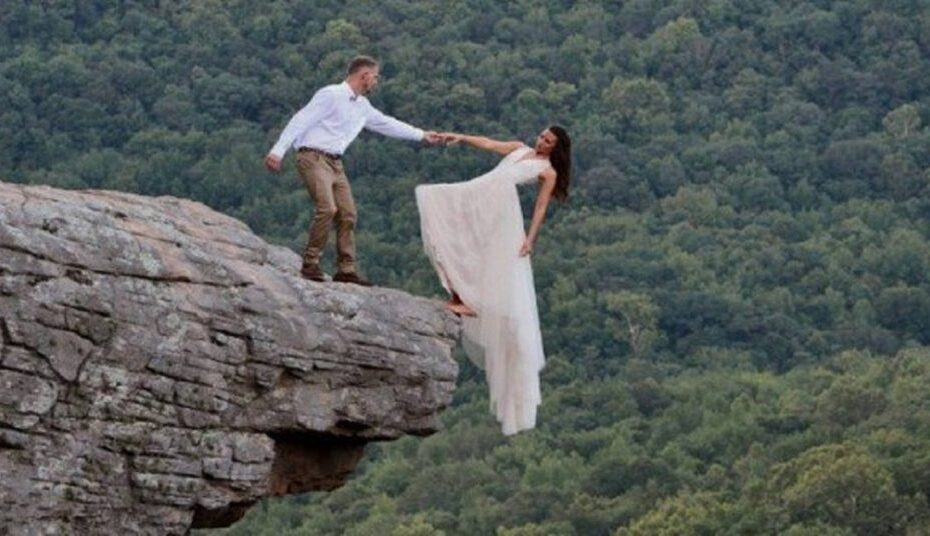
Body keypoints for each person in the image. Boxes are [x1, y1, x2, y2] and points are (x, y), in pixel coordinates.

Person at [415, 126, 572, 435]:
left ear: (556, 148)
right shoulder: (518, 148)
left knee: (484, 257)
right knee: (434, 205)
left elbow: (541, 206)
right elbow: (488, 143)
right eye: (542, 136)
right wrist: (461, 137)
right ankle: (459, 295)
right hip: (479, 195)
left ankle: (469, 302)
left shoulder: (548, 171)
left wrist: (530, 239)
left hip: (500, 212)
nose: (541, 141)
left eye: (548, 141)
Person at [265, 55, 442, 286]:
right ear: (364, 76)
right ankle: (310, 263)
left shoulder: (362, 106)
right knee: (327, 208)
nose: (376, 82)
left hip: (335, 162)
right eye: (375, 77)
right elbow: (301, 120)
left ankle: (346, 270)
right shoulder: (331, 94)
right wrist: (278, 150)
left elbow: (387, 124)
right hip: (312, 156)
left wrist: (422, 135)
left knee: (348, 214)